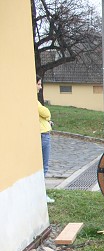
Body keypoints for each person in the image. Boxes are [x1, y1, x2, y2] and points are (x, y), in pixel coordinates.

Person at [37, 75, 54, 203]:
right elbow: (46, 113)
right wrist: (47, 117)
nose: (40, 87)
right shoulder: (33, 101)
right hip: (43, 135)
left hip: (43, 133)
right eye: (38, 84)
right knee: (44, 166)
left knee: (43, 166)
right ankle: (41, 194)